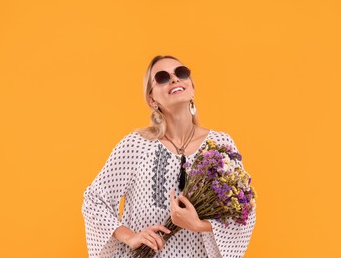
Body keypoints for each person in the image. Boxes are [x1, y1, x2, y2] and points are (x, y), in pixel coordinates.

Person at [82, 55, 256, 257]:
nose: (174, 79)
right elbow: (94, 200)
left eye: (181, 73)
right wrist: (130, 236)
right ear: (152, 99)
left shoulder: (220, 145)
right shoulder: (136, 144)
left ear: (192, 86)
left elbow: (244, 212)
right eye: (163, 77)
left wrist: (199, 225)